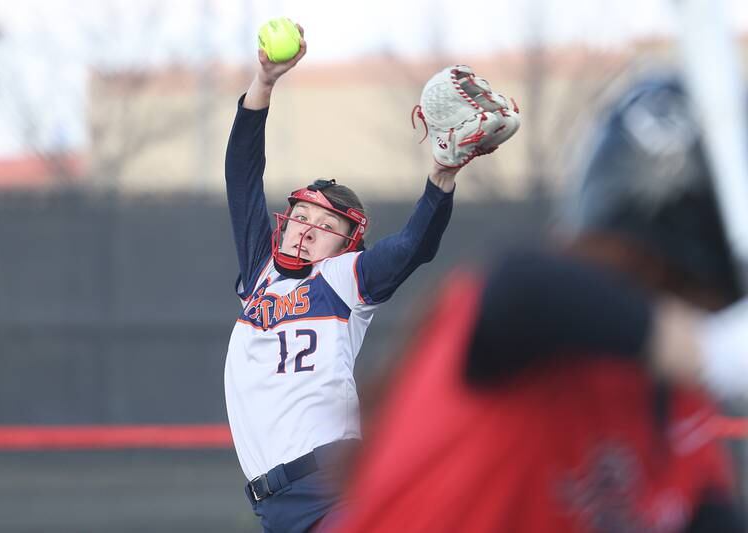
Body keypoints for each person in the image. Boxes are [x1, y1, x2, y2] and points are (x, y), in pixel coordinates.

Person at [328, 76, 748, 532]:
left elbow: (712, 514)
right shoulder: (536, 320)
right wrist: (707, 350)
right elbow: (523, 289)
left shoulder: (676, 406)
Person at [222, 23, 520, 533]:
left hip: (327, 483)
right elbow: (242, 175)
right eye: (302, 217)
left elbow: (413, 247)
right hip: (276, 507)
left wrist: (441, 179)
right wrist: (264, 83)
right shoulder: (260, 272)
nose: (307, 230)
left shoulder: (342, 281)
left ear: (345, 245)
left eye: (326, 227)